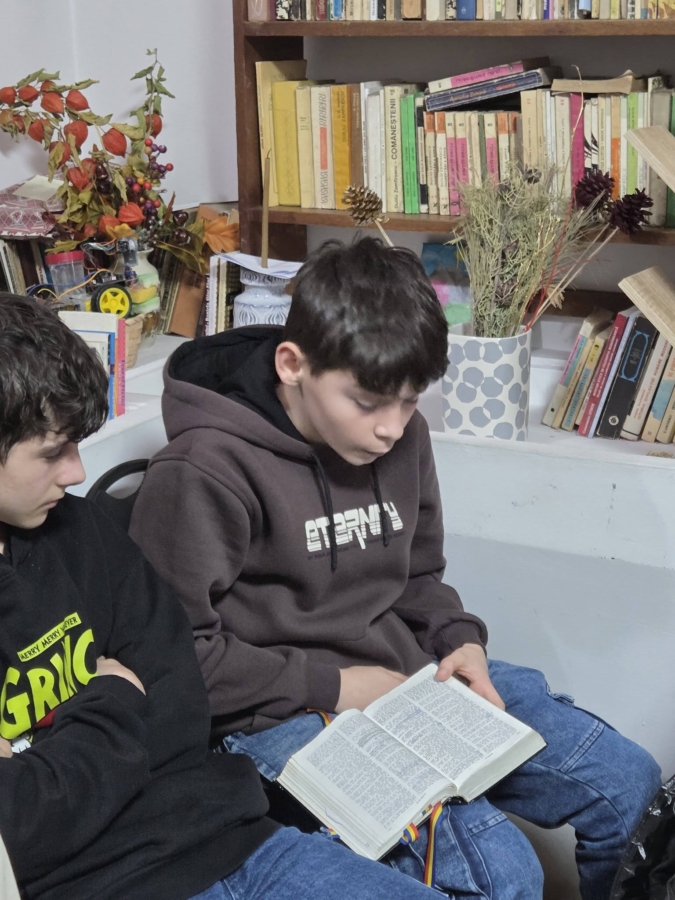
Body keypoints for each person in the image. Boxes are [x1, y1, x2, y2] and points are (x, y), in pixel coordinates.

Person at [131, 238, 662, 900]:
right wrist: (334, 685)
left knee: (627, 785)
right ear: (292, 365)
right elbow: (175, 661)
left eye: (410, 401)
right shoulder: (202, 471)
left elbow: (417, 575)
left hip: (407, 677)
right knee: (505, 874)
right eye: (368, 402)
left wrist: (458, 639)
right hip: (273, 712)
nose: (391, 427)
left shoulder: (401, 435)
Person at [0, 291, 445, 900]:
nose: (77, 473)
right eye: (52, 452)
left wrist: (53, 765)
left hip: (229, 834)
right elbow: (21, 828)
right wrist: (114, 697)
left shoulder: (82, 533)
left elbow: (181, 709)